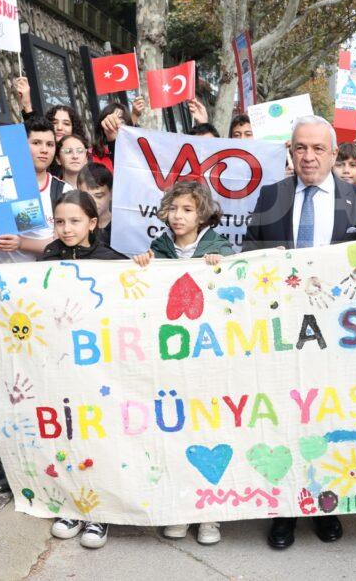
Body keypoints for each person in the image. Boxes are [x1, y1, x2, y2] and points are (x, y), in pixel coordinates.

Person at [243, 115, 356, 548]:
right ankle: (284, 511)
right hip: (283, 332)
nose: (308, 156)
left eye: (318, 148)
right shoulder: (272, 196)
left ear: (334, 153)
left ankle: (327, 504)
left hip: (338, 335)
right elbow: (248, 255)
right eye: (300, 147)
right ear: (290, 150)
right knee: (285, 420)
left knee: (330, 420)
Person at [0, 190, 143, 550]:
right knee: (66, 438)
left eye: (75, 221)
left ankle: (100, 512)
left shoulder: (110, 261)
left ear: (92, 223)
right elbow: (27, 299)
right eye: (61, 222)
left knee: (97, 438)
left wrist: (143, 265)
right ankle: (71, 505)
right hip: (59, 370)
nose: (67, 229)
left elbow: (133, 297)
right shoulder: (48, 257)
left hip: (96, 372)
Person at [0, 116, 72, 493]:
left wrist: (24, 244)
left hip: (42, 296)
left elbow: (66, 242)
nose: (43, 150)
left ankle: (35, 447)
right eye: (35, 143)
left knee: (41, 371)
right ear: (21, 146)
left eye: (49, 144)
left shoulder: (62, 190)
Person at [143, 180, 234, 545]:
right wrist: (142, 266)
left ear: (202, 215)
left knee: (209, 431)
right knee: (176, 433)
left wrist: (220, 269)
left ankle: (210, 514)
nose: (178, 216)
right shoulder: (159, 249)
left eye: (187, 210)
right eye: (174, 209)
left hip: (208, 359)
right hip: (171, 357)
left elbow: (233, 295)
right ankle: (180, 509)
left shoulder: (219, 247)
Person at [77, 163, 114, 246]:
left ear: (111, 194)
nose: (92, 202)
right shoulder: (73, 228)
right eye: (86, 196)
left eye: (98, 196)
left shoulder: (122, 229)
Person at [90, 102, 133, 172]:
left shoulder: (135, 152)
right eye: (111, 120)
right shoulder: (92, 155)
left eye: (122, 121)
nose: (116, 123)